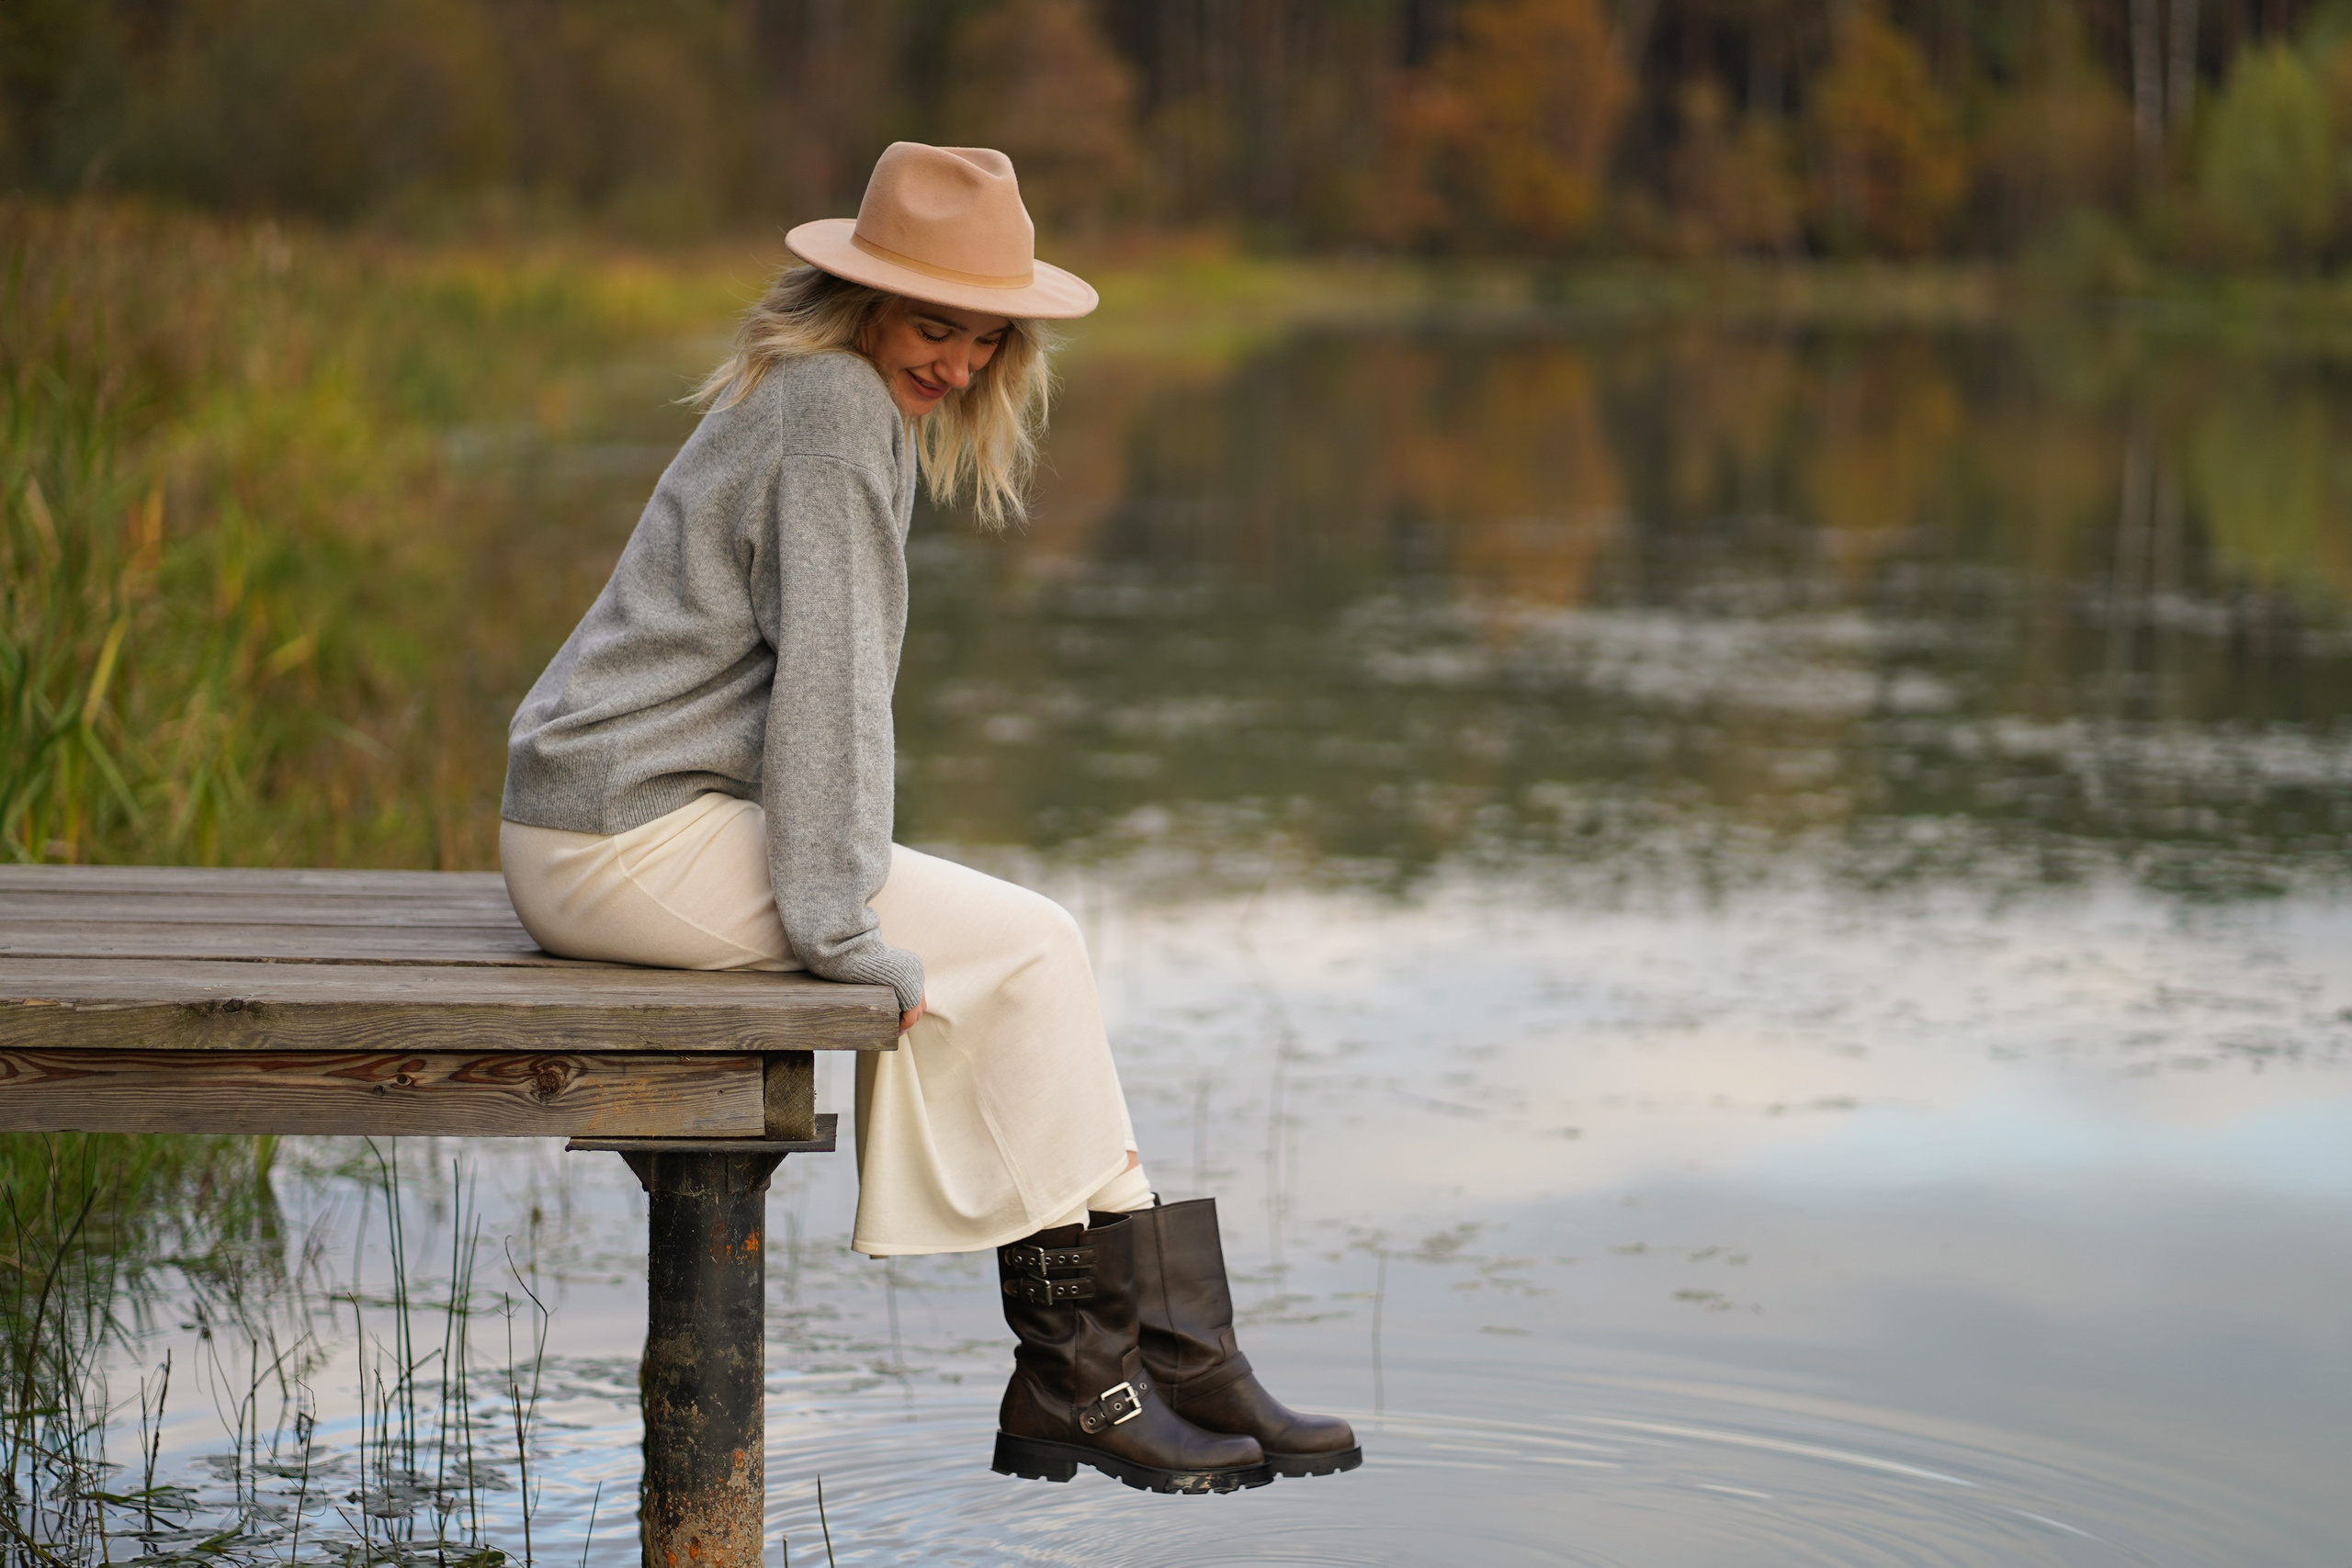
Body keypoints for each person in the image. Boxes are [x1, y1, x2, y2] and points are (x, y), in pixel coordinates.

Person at [497, 142, 1358, 1495]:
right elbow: (832, 696)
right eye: (932, 324)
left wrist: (846, 899)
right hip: (618, 837)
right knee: (1022, 948)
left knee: (1035, 943)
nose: (958, 362)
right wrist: (842, 930)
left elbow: (817, 700)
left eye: (985, 335)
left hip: (623, 825)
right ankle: (1090, 1375)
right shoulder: (836, 409)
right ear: (859, 307)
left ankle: (1171, 1359)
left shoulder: (826, 404)